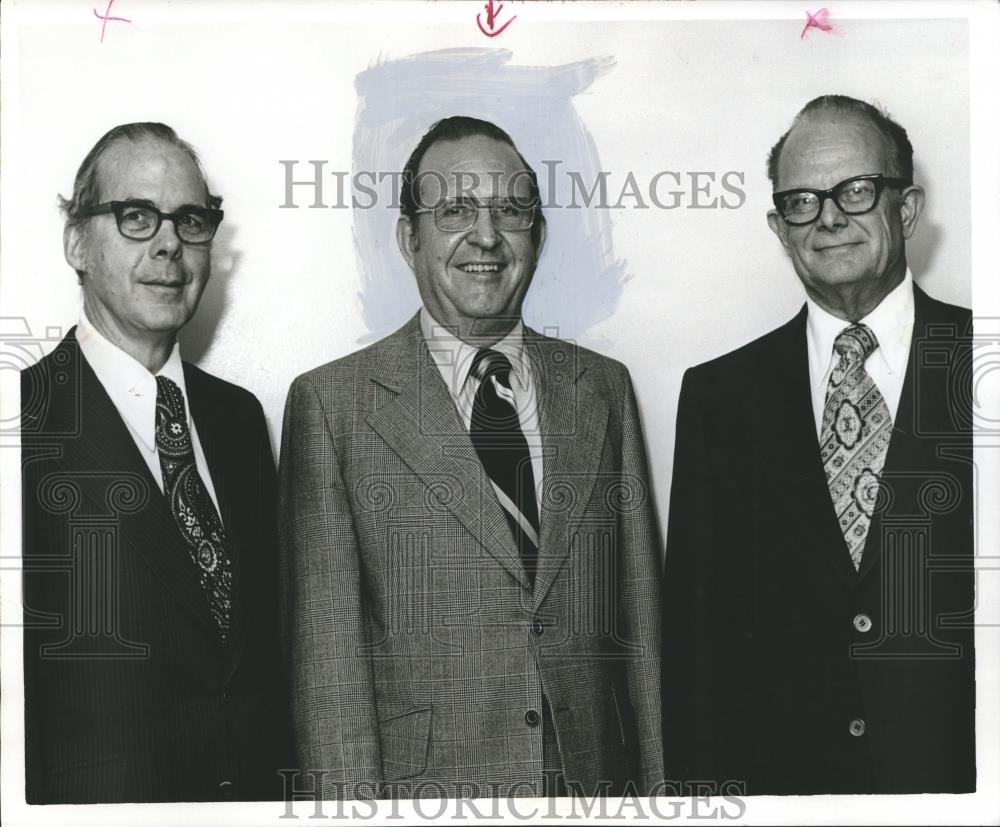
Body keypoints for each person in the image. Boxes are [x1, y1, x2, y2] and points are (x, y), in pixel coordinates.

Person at [279, 116, 662, 799]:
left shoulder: (602, 388)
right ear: (408, 237)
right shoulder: (333, 407)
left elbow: (641, 634)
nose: (486, 236)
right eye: (455, 209)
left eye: (511, 210)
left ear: (538, 236)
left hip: (596, 790)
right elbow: (327, 671)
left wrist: (661, 793)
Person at [662, 95, 975, 795]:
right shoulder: (719, 397)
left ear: (907, 208)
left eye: (856, 190)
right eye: (802, 200)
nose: (828, 216)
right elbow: (697, 653)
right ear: (779, 227)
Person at [20, 123, 290, 803]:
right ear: (76, 241)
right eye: (137, 216)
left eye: (190, 219)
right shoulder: (22, 422)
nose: (169, 242)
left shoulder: (238, 420)